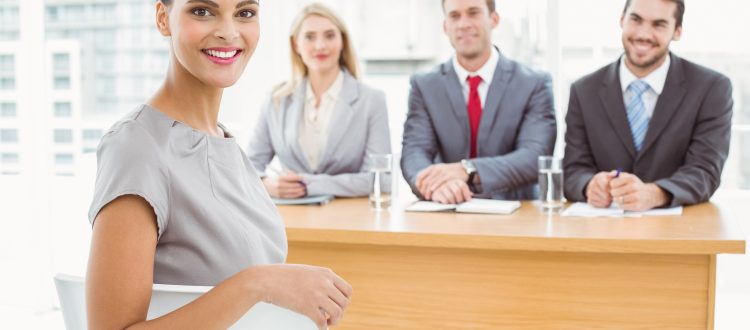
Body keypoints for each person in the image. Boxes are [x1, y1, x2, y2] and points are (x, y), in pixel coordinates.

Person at [85, 1, 352, 329]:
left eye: (244, 13)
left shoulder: (227, 143)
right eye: (202, 10)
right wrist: (257, 285)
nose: (229, 32)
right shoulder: (137, 148)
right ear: (163, 18)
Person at [563, 0, 733, 212]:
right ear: (622, 19)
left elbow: (705, 171)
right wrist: (589, 185)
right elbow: (573, 171)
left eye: (658, 24)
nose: (643, 34)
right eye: (636, 20)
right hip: (602, 233)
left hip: (681, 234)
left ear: (677, 31)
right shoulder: (583, 90)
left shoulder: (711, 89)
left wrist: (655, 193)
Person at [400, 0, 556, 205]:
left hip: (516, 215)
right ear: (445, 26)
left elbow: (534, 157)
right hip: (447, 210)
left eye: (473, 13)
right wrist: (436, 185)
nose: (463, 24)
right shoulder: (425, 85)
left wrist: (467, 170)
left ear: (494, 19)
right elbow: (415, 152)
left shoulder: (533, 83)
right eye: (454, 16)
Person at [247, 3, 391, 199]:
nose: (320, 45)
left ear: (342, 41)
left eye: (330, 35)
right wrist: (267, 185)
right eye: (309, 37)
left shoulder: (371, 100)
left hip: (348, 218)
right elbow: (249, 168)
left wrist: (311, 184)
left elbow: (381, 179)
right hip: (289, 219)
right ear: (296, 44)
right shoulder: (277, 100)